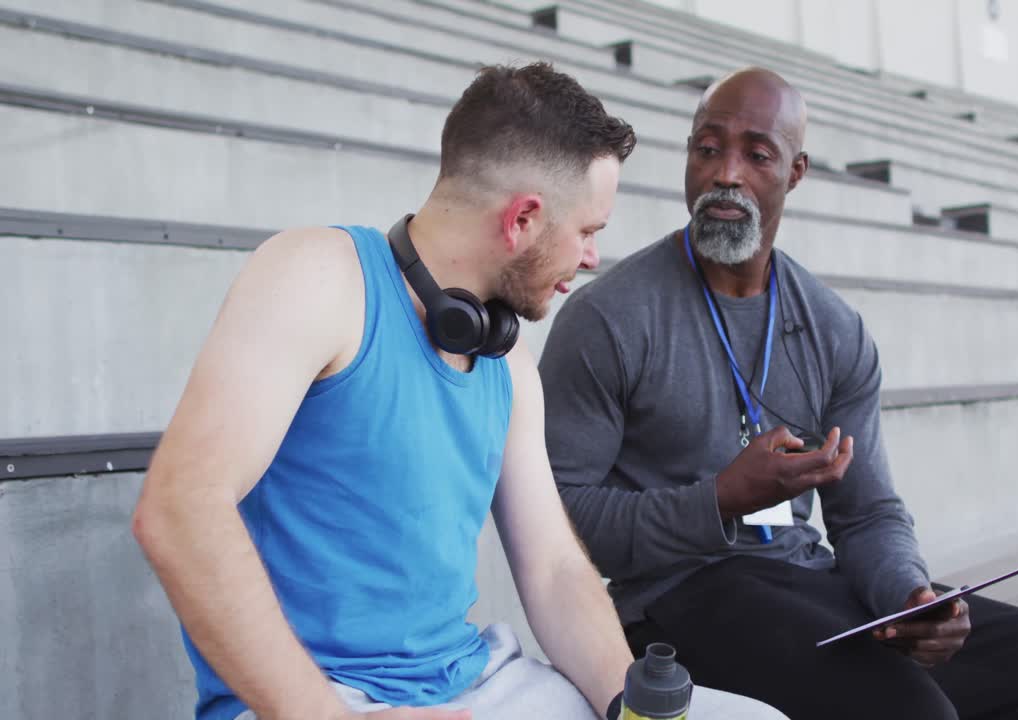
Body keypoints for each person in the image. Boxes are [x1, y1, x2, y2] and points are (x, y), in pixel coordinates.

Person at [132, 62, 785, 720]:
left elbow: (555, 568)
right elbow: (180, 510)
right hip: (316, 700)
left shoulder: (509, 361)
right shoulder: (316, 278)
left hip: (476, 684)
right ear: (523, 219)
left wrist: (631, 707)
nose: (591, 259)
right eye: (588, 232)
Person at [539, 67, 1018, 719]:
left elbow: (866, 513)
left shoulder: (833, 329)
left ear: (795, 172)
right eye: (707, 148)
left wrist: (909, 597)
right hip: (675, 598)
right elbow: (561, 527)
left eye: (757, 154)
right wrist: (721, 500)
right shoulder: (609, 319)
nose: (726, 173)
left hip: (805, 581)